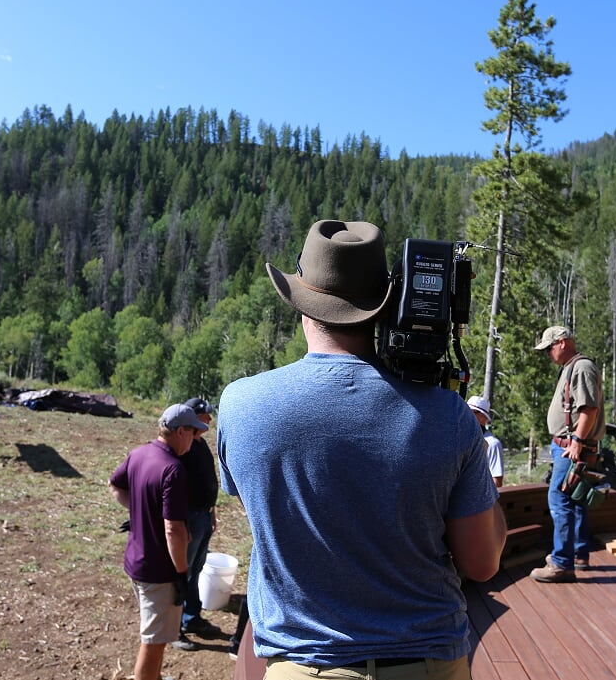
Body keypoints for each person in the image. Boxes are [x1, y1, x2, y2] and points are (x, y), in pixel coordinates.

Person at [217, 218, 506, 680]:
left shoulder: (241, 405)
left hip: (304, 665)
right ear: (385, 306)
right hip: (426, 664)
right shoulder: (450, 416)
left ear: (301, 302)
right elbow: (482, 562)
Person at [109, 403, 208, 680]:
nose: (196, 438)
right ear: (179, 432)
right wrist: (181, 572)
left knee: (152, 634)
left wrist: (140, 512)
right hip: (159, 572)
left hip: (136, 562)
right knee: (153, 643)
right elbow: (174, 529)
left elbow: (115, 485)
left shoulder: (140, 453)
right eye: (193, 432)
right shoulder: (173, 469)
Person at [529, 326, 603, 584]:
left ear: (562, 342)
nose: (548, 354)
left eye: (549, 348)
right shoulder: (573, 367)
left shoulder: (580, 367)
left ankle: (561, 563)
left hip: (572, 448)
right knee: (576, 499)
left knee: (559, 500)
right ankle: (578, 555)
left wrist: (577, 442)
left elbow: (589, 409)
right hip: (573, 447)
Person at [171, 396, 223, 651]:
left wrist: (211, 512)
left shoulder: (199, 444)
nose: (209, 419)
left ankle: (191, 618)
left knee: (196, 570)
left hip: (203, 516)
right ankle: (174, 628)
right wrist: (183, 523)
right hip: (189, 518)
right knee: (182, 572)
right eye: (205, 415)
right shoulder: (184, 448)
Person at [468, 395, 504, 488]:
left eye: (473, 412)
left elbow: (497, 482)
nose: (467, 415)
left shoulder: (493, 444)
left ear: (484, 417)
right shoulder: (462, 439)